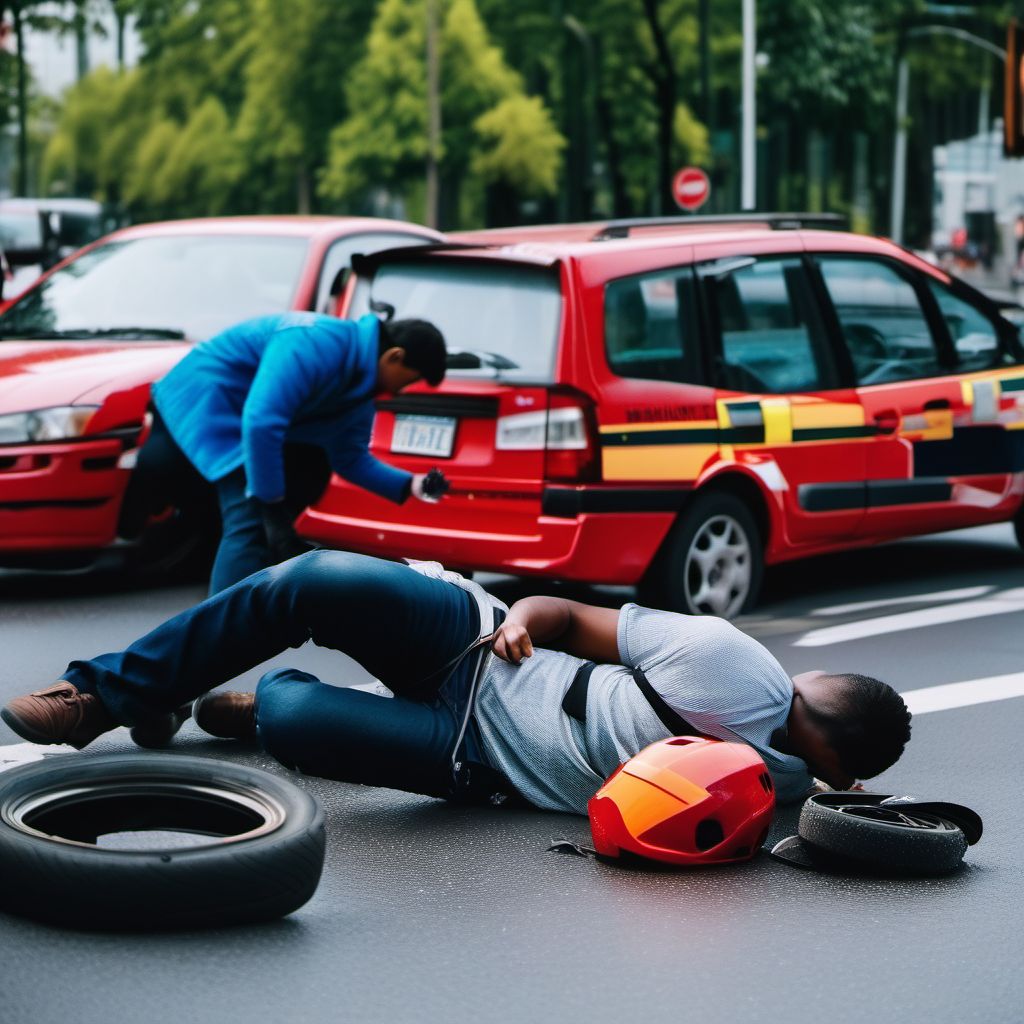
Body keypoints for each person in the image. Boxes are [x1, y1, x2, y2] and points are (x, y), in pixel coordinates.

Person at [1, 551, 912, 812]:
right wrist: (517, 623)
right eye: (795, 703)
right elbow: (562, 613)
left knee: (289, 710)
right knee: (314, 578)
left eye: (801, 735)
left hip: (473, 761)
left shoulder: (793, 802)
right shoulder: (730, 661)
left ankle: (241, 708)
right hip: (482, 648)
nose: (782, 723)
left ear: (839, 774)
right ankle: (104, 698)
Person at [118, 312, 448, 595]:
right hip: (203, 399)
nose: (405, 389)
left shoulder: (361, 389)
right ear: (394, 357)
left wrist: (413, 485)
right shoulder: (316, 341)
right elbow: (262, 422)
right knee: (250, 521)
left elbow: (350, 458)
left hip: (242, 418)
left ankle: (220, 607)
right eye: (412, 379)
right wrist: (271, 504)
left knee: (256, 515)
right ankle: (215, 627)